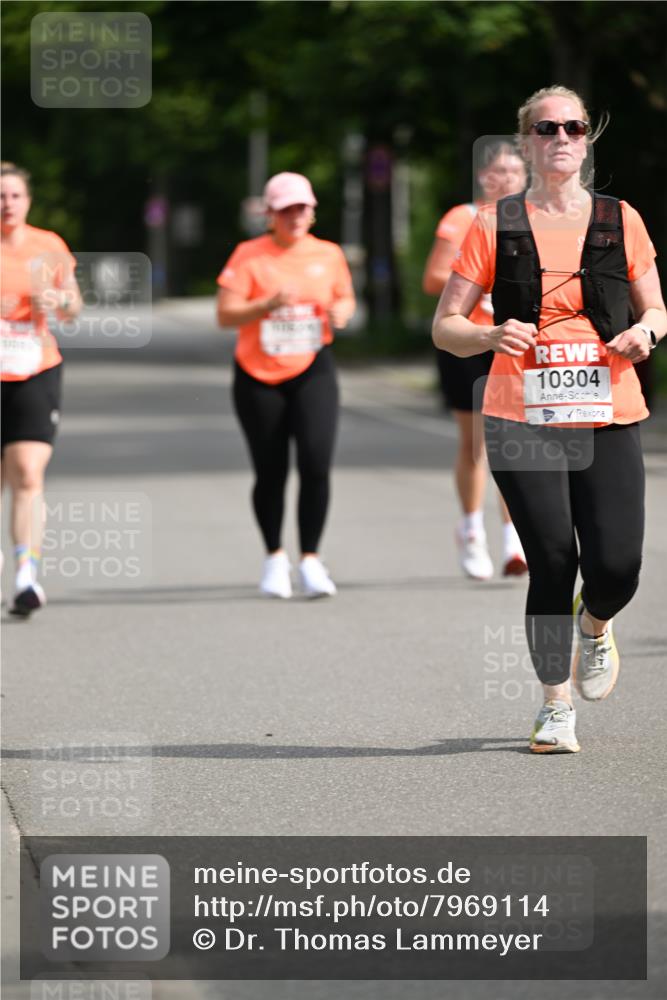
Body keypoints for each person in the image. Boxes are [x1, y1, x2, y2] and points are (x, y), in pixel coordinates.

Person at [432, 86, 666, 753]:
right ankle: (553, 707)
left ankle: (593, 627)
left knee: (617, 565)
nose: (560, 136)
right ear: (527, 140)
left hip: (607, 410)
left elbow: (656, 309)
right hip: (519, 415)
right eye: (546, 128)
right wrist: (487, 336)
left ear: (587, 137)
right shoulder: (492, 224)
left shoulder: (621, 220)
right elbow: (444, 326)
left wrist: (644, 335)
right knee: (551, 558)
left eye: (573, 126)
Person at [217, 172, 355, 598]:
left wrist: (341, 313)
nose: (296, 216)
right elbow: (226, 315)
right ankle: (275, 557)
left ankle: (311, 560)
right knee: (271, 470)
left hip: (313, 367)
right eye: (286, 210)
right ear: (270, 215)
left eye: (302, 208)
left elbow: (345, 298)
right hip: (258, 375)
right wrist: (267, 304)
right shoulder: (249, 255)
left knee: (316, 462)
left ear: (312, 212)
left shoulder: (328, 253)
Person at [423, 142, 528, 580]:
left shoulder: (532, 219)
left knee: (512, 442)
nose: (505, 178)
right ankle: (471, 531)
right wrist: (476, 280)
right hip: (468, 340)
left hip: (513, 343)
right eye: (498, 171)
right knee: (476, 444)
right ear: (484, 177)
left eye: (514, 171)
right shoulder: (462, 217)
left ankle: (512, 539)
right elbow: (432, 279)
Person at [1, 162, 82, 616]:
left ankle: (26, 576)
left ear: (27, 201)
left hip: (35, 367)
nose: (7, 204)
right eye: (0, 196)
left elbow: (74, 305)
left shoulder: (48, 246)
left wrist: (59, 301)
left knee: (28, 474)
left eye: (14, 195)